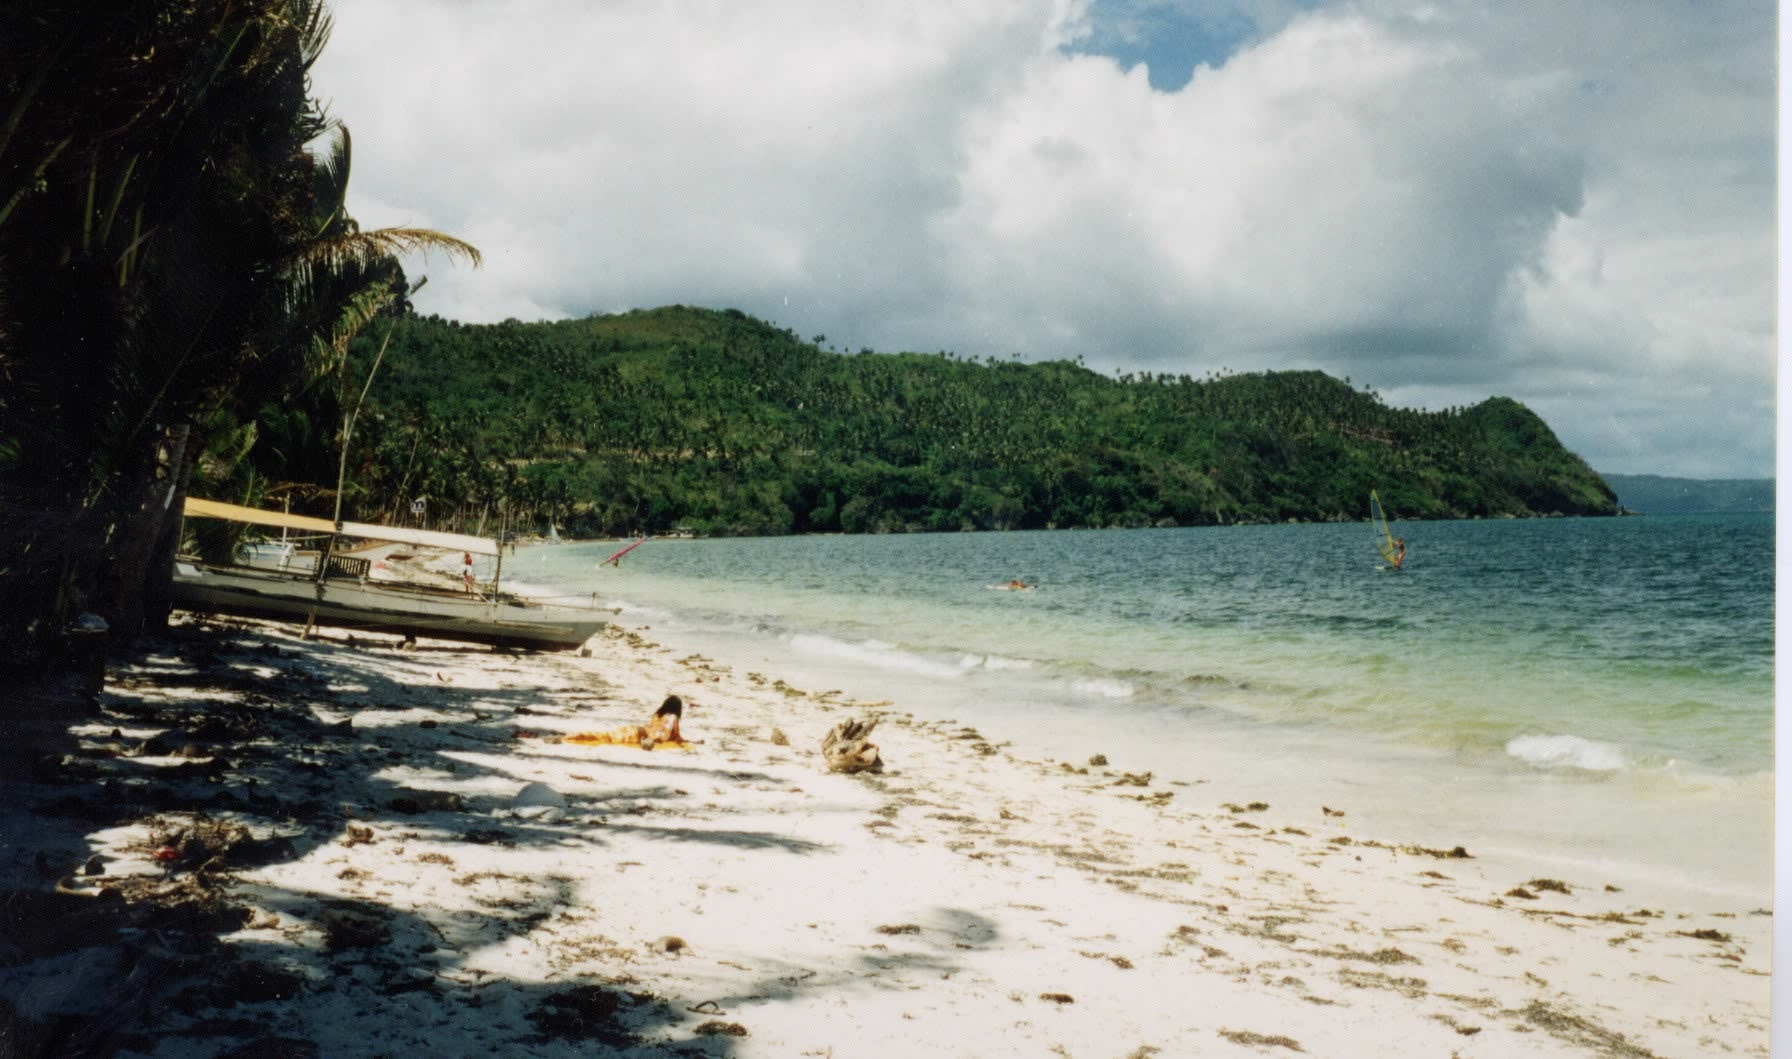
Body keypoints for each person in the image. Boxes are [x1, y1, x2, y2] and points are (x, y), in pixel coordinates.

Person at [565, 695, 686, 749]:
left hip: (637, 730)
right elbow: (678, 737)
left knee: (607, 735)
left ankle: (578, 734)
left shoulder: (658, 715)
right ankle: (579, 735)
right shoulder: (674, 717)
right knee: (606, 737)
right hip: (640, 735)